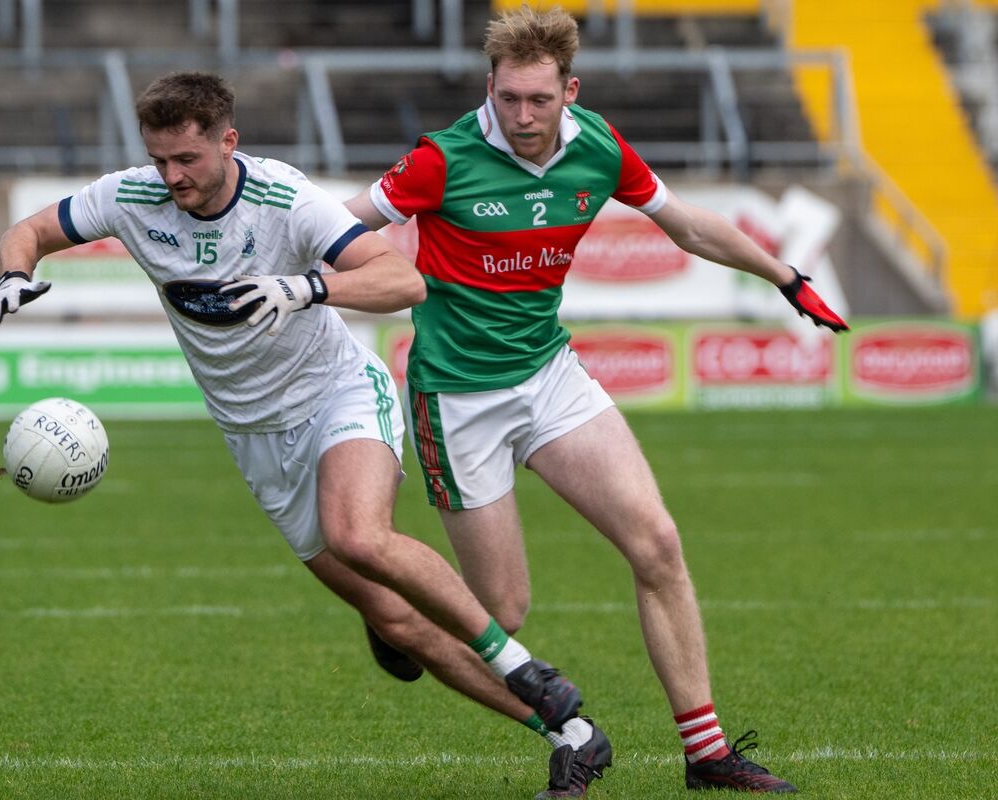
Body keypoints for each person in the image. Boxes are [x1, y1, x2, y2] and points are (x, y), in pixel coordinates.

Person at [0, 70, 611, 799]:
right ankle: (570, 735)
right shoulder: (131, 196)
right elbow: (27, 231)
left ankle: (524, 667)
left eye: (187, 159)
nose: (172, 177)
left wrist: (307, 286)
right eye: (159, 159)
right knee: (399, 622)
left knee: (358, 535)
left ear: (228, 141)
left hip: (339, 394)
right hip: (255, 438)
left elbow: (403, 282)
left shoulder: (284, 198)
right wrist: (12, 275)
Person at [346, 5, 849, 795]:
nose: (521, 116)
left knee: (657, 542)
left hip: (550, 377)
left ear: (568, 91)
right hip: (458, 398)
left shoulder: (600, 147)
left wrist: (784, 276)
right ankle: (397, 617)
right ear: (490, 87)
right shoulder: (440, 159)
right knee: (503, 613)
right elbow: (340, 230)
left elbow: (684, 225)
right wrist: (290, 287)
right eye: (508, 98)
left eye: (538, 100)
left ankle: (707, 754)